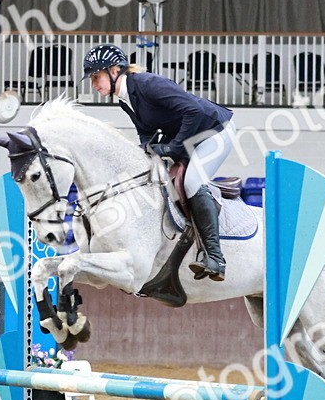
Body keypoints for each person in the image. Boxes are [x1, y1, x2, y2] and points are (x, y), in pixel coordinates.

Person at [82, 44, 236, 281]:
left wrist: (173, 149)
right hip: (188, 136)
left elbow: (193, 111)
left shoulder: (148, 84)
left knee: (192, 182)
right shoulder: (125, 100)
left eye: (96, 76)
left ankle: (216, 257)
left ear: (114, 71)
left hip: (214, 131)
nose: (93, 84)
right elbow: (146, 134)